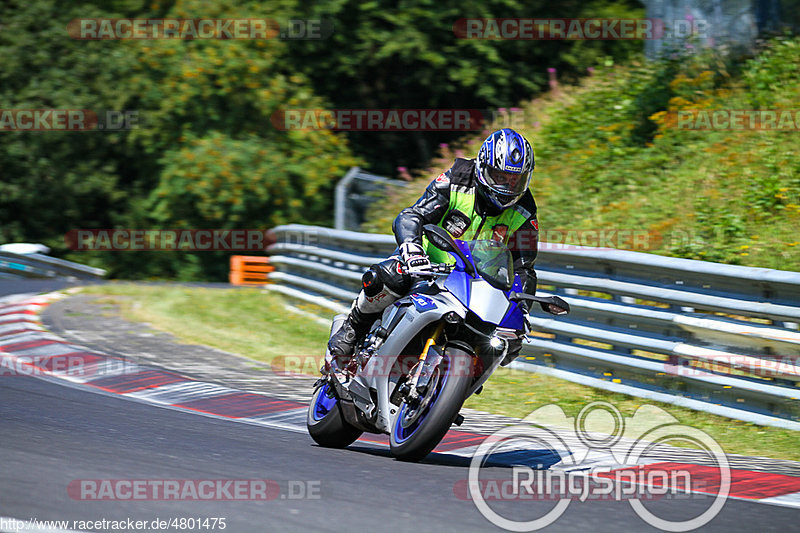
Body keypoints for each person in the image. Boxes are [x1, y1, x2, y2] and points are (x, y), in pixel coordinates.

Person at [328, 128, 540, 365]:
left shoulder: (525, 210)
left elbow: (524, 267)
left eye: (515, 180)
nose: (507, 187)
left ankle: (449, 385)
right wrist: (412, 249)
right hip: (426, 265)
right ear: (483, 169)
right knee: (388, 276)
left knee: (501, 345)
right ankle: (353, 327)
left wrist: (521, 310)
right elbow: (412, 216)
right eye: (500, 176)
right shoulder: (458, 178)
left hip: (475, 284)